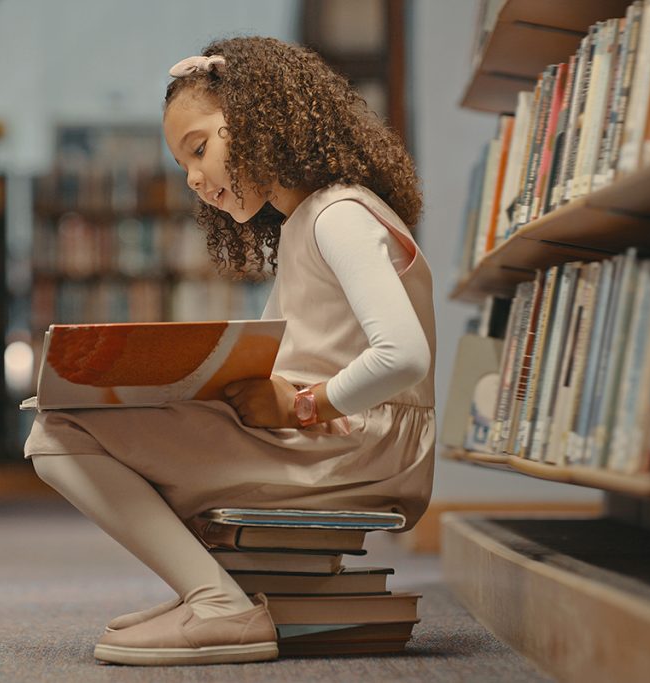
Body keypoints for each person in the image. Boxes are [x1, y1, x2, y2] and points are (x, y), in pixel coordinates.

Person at [25, 36, 435, 667]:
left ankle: (217, 603)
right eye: (183, 167)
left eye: (200, 149)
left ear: (258, 120)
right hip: (338, 429)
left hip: (355, 439)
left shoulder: (338, 216)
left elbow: (404, 356)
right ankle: (216, 594)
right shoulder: (309, 221)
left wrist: (302, 406)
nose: (194, 179)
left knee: (59, 435)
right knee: (78, 421)